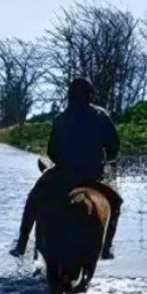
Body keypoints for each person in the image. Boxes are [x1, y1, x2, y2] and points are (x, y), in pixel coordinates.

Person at [10, 77, 123, 260]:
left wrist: (63, 161)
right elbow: (114, 145)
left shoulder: (60, 119)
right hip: (93, 176)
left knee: (34, 198)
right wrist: (105, 160)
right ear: (89, 96)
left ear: (70, 96)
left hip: (64, 176)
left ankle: (22, 244)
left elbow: (51, 152)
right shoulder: (100, 116)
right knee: (116, 203)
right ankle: (106, 248)